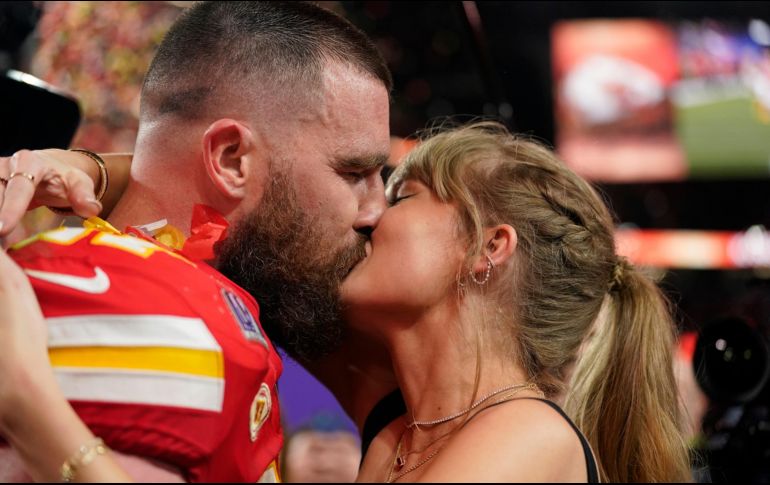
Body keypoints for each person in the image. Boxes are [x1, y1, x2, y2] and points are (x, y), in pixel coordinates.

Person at [0, 1, 396, 482]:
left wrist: (92, 168)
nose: (376, 211)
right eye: (354, 172)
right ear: (231, 159)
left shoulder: (197, 296)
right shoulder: (141, 312)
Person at [340, 122, 692, 482]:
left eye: (402, 197)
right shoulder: (394, 433)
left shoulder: (531, 435)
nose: (372, 215)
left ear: (486, 247)